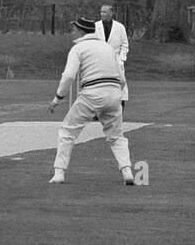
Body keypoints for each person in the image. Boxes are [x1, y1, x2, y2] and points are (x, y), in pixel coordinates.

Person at [46, 16, 134, 186]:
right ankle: (127, 172)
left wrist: (58, 98)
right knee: (116, 137)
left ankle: (59, 173)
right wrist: (116, 94)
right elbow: (122, 78)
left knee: (67, 132)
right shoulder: (108, 48)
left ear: (81, 30)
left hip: (92, 92)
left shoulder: (79, 48)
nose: (72, 31)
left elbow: (69, 76)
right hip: (115, 92)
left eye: (74, 28)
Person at [94, 3, 130, 103]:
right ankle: (98, 111)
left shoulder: (120, 27)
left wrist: (122, 59)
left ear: (111, 13)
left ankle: (119, 108)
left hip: (116, 60)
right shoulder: (95, 27)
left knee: (119, 85)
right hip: (99, 61)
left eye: (104, 12)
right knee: (99, 86)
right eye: (101, 12)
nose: (102, 14)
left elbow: (125, 45)